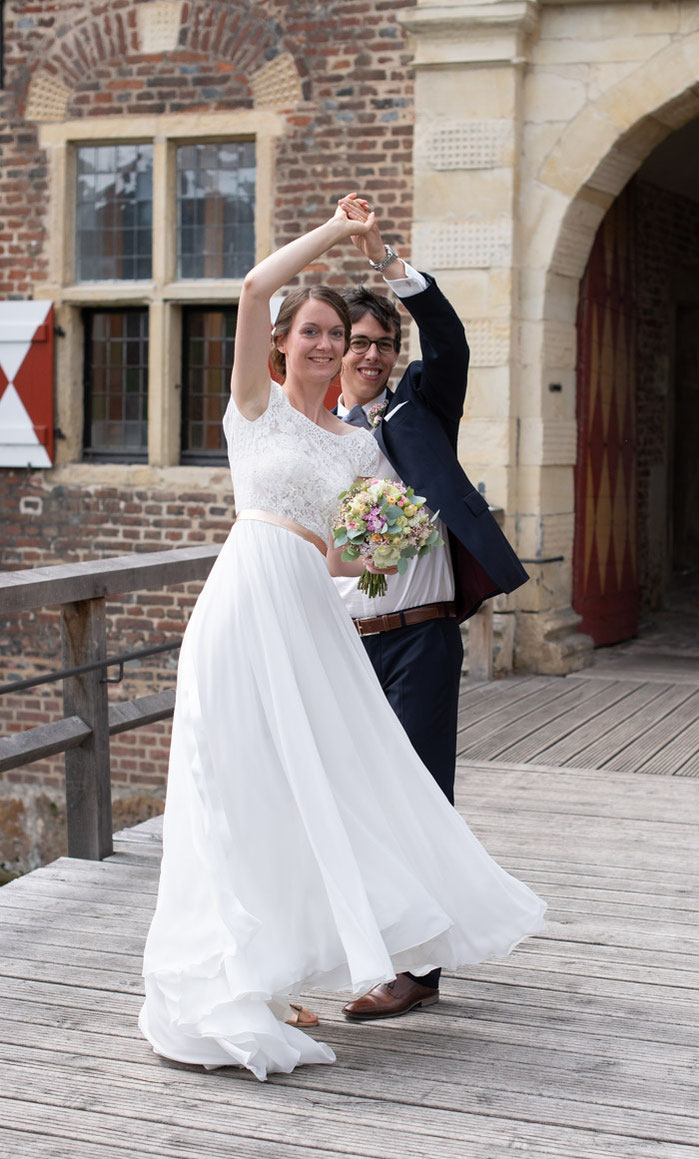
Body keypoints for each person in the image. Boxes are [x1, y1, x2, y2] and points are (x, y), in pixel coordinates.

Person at [138, 195, 546, 1083]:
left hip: (315, 615)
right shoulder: (253, 410)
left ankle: (297, 966)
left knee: (321, 788)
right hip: (243, 603)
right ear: (284, 342)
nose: (329, 346)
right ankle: (232, 978)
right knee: (229, 783)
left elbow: (340, 558)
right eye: (314, 331)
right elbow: (252, 285)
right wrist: (335, 231)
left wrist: (384, 542)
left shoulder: (361, 445)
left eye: (342, 334)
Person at [333, 204, 530, 1020]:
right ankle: (351, 943)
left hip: (419, 642)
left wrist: (391, 268)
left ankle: (419, 971)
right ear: (330, 349)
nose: (373, 356)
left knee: (418, 796)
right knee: (345, 796)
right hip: (338, 644)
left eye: (384, 344)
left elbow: (450, 341)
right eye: (359, 343)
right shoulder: (311, 430)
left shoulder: (419, 407)